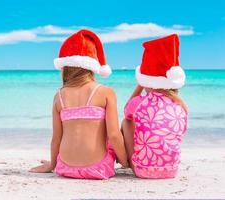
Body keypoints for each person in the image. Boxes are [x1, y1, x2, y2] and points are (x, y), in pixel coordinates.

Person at [30, 29, 128, 180]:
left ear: (65, 68)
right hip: (98, 168)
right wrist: (125, 161)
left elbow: (56, 138)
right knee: (115, 134)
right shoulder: (105, 92)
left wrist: (52, 165)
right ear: (92, 67)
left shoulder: (59, 96)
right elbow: (114, 136)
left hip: (65, 167)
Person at [122, 34, 188, 179]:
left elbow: (126, 111)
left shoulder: (139, 102)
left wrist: (139, 87)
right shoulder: (181, 105)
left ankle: (127, 160)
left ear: (146, 80)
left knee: (126, 121)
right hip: (172, 170)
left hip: (143, 170)